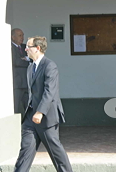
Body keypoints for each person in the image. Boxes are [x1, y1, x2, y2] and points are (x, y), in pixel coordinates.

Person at [14, 36, 72, 172]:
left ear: (38, 48)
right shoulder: (30, 68)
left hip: (46, 117)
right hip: (30, 118)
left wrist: (40, 112)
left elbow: (49, 91)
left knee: (56, 153)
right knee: (25, 152)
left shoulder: (49, 66)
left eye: (28, 46)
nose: (26, 49)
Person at [11, 28, 30, 119]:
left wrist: (26, 59)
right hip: (17, 83)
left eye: (22, 35)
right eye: (19, 35)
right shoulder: (10, 47)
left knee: (28, 107)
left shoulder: (25, 47)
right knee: (16, 107)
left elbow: (33, 59)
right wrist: (27, 60)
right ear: (13, 37)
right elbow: (16, 62)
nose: (22, 37)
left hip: (27, 82)